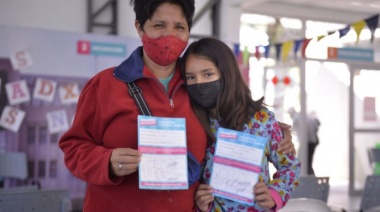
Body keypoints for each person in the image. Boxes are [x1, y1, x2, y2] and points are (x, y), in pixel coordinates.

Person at [59, 1, 296, 211]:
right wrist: (106, 161)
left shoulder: (199, 87)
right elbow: (74, 147)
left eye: (179, 27)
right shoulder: (105, 84)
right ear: (140, 27)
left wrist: (277, 130)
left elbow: (236, 121)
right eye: (159, 25)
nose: (169, 36)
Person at [181, 38, 301, 212]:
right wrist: (202, 205)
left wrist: (274, 194)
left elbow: (290, 166)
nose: (199, 83)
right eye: (191, 77)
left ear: (227, 73)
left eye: (208, 74)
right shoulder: (195, 123)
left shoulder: (261, 121)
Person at [288, 108, 320, 175]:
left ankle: (310, 177)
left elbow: (293, 130)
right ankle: (311, 177)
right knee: (308, 161)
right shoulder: (301, 116)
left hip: (308, 141)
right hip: (312, 140)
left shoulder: (296, 118)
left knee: (305, 161)